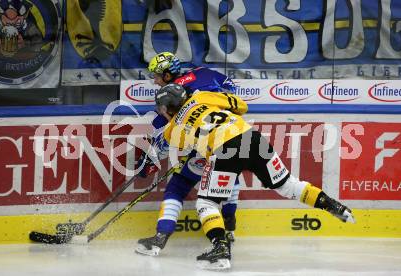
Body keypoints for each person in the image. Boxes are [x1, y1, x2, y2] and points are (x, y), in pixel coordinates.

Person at [152, 83, 355, 270]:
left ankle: (220, 250)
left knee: (207, 203)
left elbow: (178, 147)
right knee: (288, 185)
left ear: (167, 108)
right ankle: (333, 205)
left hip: (224, 149)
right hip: (252, 138)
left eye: (162, 109)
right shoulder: (202, 97)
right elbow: (241, 106)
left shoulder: (172, 130)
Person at [135, 52, 240, 256]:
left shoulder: (170, 98)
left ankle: (160, 238)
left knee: (177, 187)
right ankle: (229, 227)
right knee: (231, 175)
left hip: (204, 148)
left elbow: (162, 134)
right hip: (231, 139)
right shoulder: (203, 72)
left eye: (157, 76)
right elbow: (231, 87)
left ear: (167, 76)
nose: (155, 81)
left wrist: (147, 162)